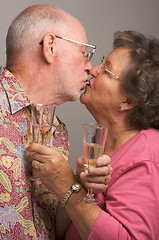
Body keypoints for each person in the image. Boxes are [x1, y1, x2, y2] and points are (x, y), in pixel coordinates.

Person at [29, 30, 159, 240]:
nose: (92, 69)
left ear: (128, 101)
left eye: (107, 70)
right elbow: (62, 232)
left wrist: (66, 186)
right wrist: (79, 184)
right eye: (100, 62)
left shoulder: (148, 156)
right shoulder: (103, 146)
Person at [0, 4, 111, 240]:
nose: (90, 67)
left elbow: (51, 229)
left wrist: (76, 185)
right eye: (84, 53)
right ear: (50, 47)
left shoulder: (58, 131)